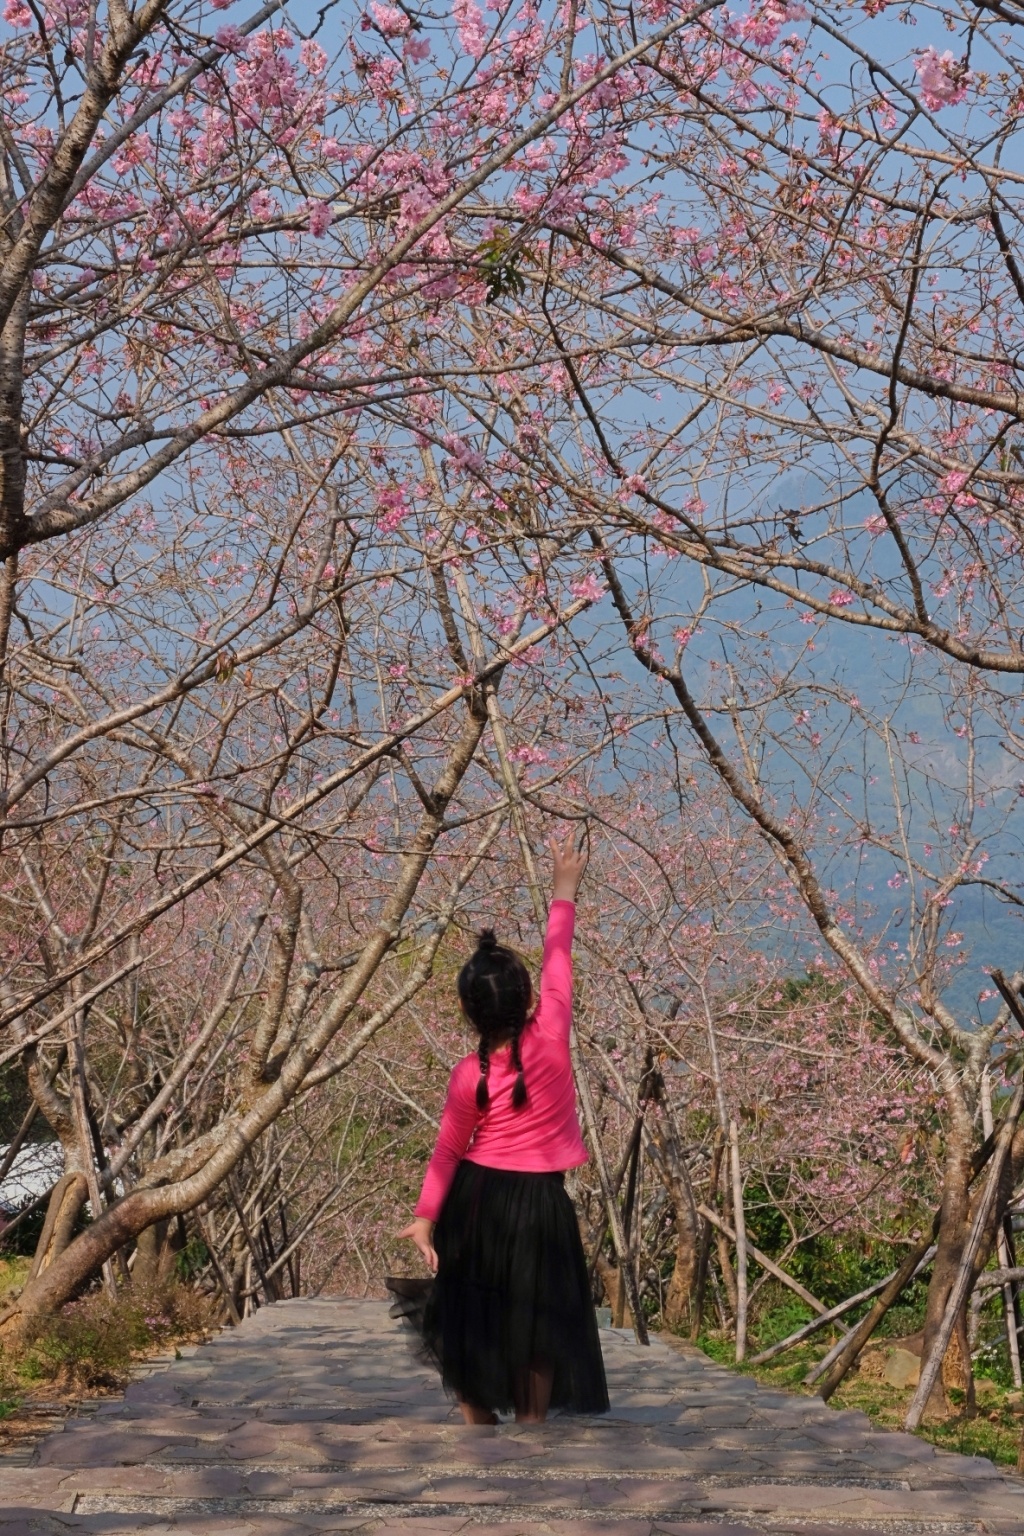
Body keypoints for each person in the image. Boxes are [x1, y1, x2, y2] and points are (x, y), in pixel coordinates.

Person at [394, 830, 609, 1425]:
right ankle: (533, 1427)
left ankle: (477, 1428)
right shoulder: (553, 1037)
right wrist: (564, 888)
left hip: (477, 1200)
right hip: (540, 1203)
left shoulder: (470, 1075)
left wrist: (424, 1218)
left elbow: (446, 1151)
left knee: (472, 1315)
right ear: (529, 1000)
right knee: (537, 1318)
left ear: (467, 1012)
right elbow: (557, 958)